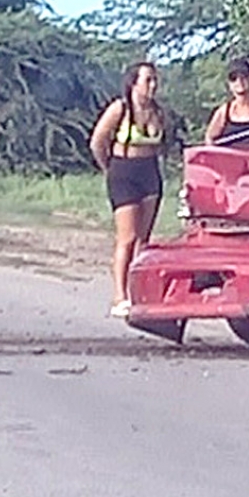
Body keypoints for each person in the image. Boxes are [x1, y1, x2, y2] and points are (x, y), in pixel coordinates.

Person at [88, 62, 165, 318]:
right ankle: (119, 296)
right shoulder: (120, 109)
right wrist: (108, 167)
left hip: (150, 171)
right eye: (147, 80)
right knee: (128, 237)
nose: (153, 85)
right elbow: (98, 140)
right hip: (124, 172)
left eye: (155, 80)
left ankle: (139, 292)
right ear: (134, 83)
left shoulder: (158, 112)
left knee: (144, 239)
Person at [204, 58, 249, 143]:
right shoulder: (224, 112)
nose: (239, 81)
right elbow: (209, 139)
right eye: (233, 78)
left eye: (244, 75)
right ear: (229, 84)